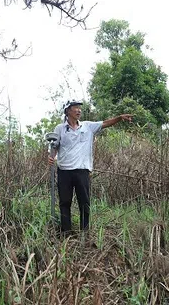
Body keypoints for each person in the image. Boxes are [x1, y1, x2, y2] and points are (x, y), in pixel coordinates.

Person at [48, 100, 132, 234]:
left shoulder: (87, 126)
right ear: (68, 111)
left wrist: (119, 118)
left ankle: (84, 232)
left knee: (84, 202)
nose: (79, 110)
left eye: (79, 108)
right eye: (75, 108)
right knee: (64, 202)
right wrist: (52, 157)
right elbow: (55, 146)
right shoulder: (60, 128)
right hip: (64, 171)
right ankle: (66, 232)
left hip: (82, 170)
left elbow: (105, 123)